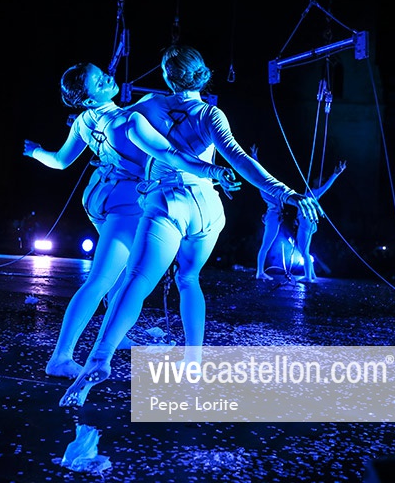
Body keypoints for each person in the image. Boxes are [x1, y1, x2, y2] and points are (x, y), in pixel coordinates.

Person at [60, 44, 323, 407]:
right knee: (189, 279)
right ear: (202, 74)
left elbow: (114, 124)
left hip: (167, 202)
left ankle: (99, 358)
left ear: (167, 77)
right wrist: (288, 193)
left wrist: (85, 122)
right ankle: (193, 362)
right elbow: (241, 160)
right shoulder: (211, 115)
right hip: (207, 207)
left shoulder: (148, 106)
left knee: (137, 281)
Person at [23, 62, 239, 379]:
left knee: (124, 273)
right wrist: (211, 170)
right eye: (100, 81)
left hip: (99, 195)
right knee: (102, 278)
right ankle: (61, 357)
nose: (109, 78)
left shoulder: (84, 121)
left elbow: (59, 161)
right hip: (124, 205)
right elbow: (170, 153)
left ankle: (118, 335)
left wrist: (34, 151)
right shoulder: (129, 119)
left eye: (102, 74)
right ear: (88, 98)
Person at [294, 160, 346, 282]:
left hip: (307, 223)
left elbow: (326, 186)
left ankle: (308, 277)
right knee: (303, 249)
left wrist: (335, 174)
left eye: (321, 180)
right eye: (319, 179)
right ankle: (312, 275)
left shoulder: (314, 193)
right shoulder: (308, 192)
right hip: (304, 222)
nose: (321, 181)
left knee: (304, 251)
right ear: (314, 180)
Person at [251, 144, 284, 281]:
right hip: (272, 218)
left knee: (266, 246)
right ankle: (260, 272)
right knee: (265, 246)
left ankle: (260, 271)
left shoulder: (271, 190)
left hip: (273, 217)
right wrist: (254, 157)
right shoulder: (265, 188)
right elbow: (259, 175)